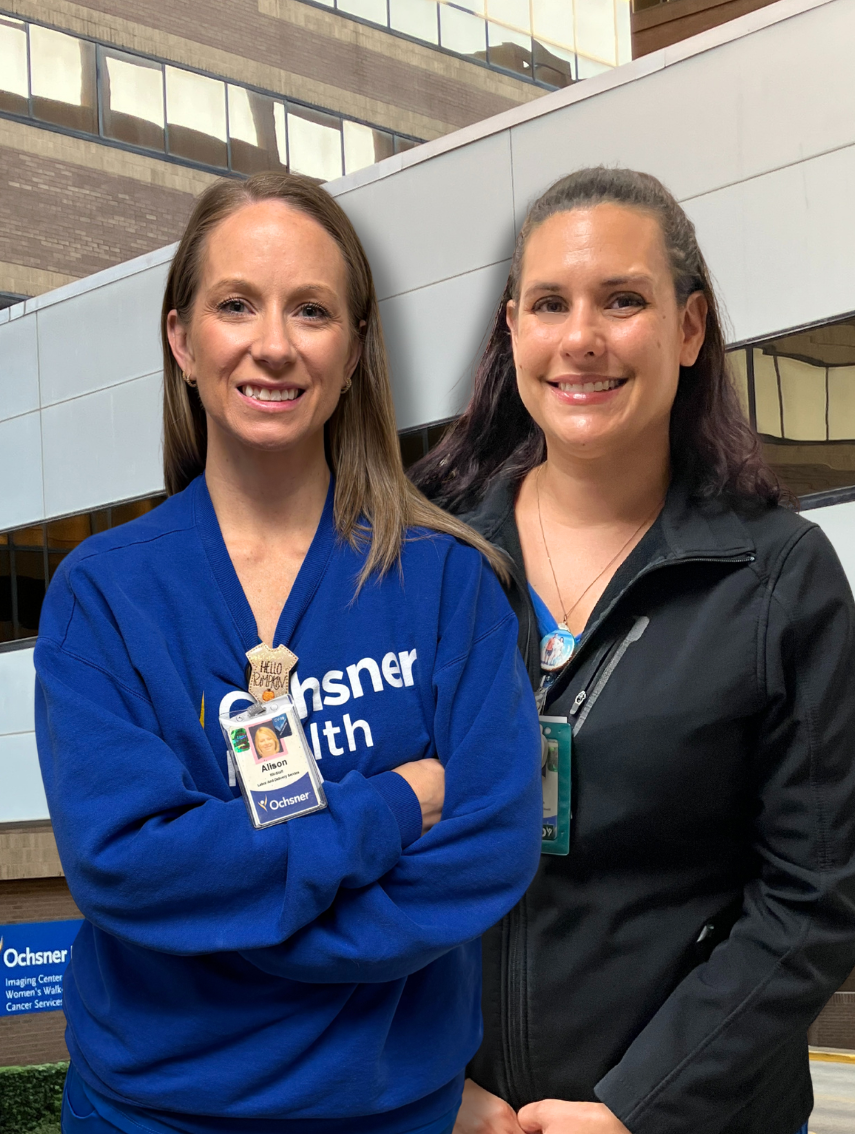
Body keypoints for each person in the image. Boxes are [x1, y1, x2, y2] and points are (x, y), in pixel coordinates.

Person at [35, 171, 543, 1134]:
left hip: (387, 1112)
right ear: (182, 339)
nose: (272, 344)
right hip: (152, 1113)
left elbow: (490, 848)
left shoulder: (447, 582)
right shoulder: (100, 596)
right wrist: (393, 802)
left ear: (353, 351)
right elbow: (126, 867)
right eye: (236, 304)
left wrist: (228, 913)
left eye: (311, 310)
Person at [411, 167, 855, 1134]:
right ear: (513, 331)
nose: (581, 339)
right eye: (549, 304)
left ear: (689, 330)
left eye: (623, 300)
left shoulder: (779, 578)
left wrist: (633, 1109)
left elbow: (814, 899)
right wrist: (421, 1079)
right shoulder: (423, 556)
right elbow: (345, 851)